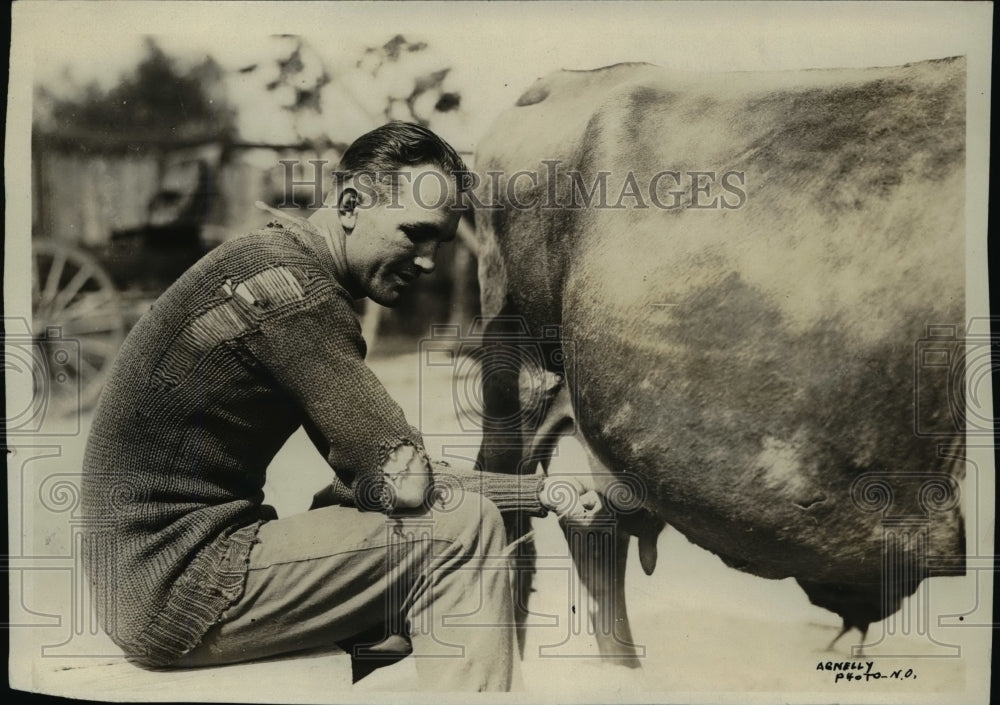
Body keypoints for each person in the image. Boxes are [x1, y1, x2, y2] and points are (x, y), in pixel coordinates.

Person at [81, 122, 597, 692]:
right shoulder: (297, 294)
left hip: (141, 576)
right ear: (350, 204)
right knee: (461, 530)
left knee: (352, 505)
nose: (427, 260)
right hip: (178, 590)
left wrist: (536, 492)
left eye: (441, 243)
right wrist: (543, 492)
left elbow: (366, 480)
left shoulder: (269, 261)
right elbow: (404, 483)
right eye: (415, 233)